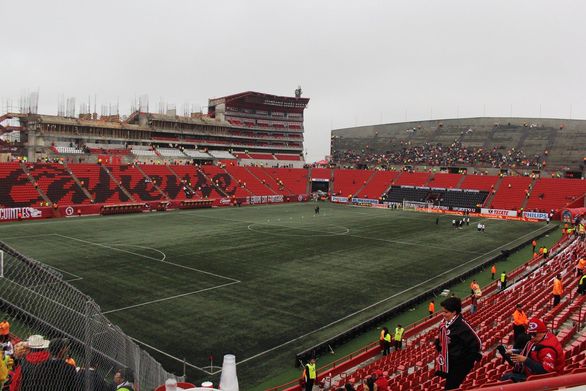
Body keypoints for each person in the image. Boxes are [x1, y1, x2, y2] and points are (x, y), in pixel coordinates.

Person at [434, 297, 482, 390]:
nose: (443, 314)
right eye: (442, 311)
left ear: (454, 312)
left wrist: (465, 360)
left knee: (450, 387)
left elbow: (477, 343)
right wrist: (439, 344)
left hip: (460, 365)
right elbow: (441, 340)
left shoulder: (462, 326)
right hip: (449, 361)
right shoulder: (444, 323)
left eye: (446, 312)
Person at [500, 318, 564, 382]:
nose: (531, 337)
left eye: (534, 334)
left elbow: (546, 371)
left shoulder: (547, 349)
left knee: (507, 377)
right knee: (508, 375)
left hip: (544, 379)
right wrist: (515, 351)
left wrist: (525, 360)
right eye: (530, 334)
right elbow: (532, 351)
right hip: (533, 372)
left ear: (542, 332)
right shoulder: (542, 338)